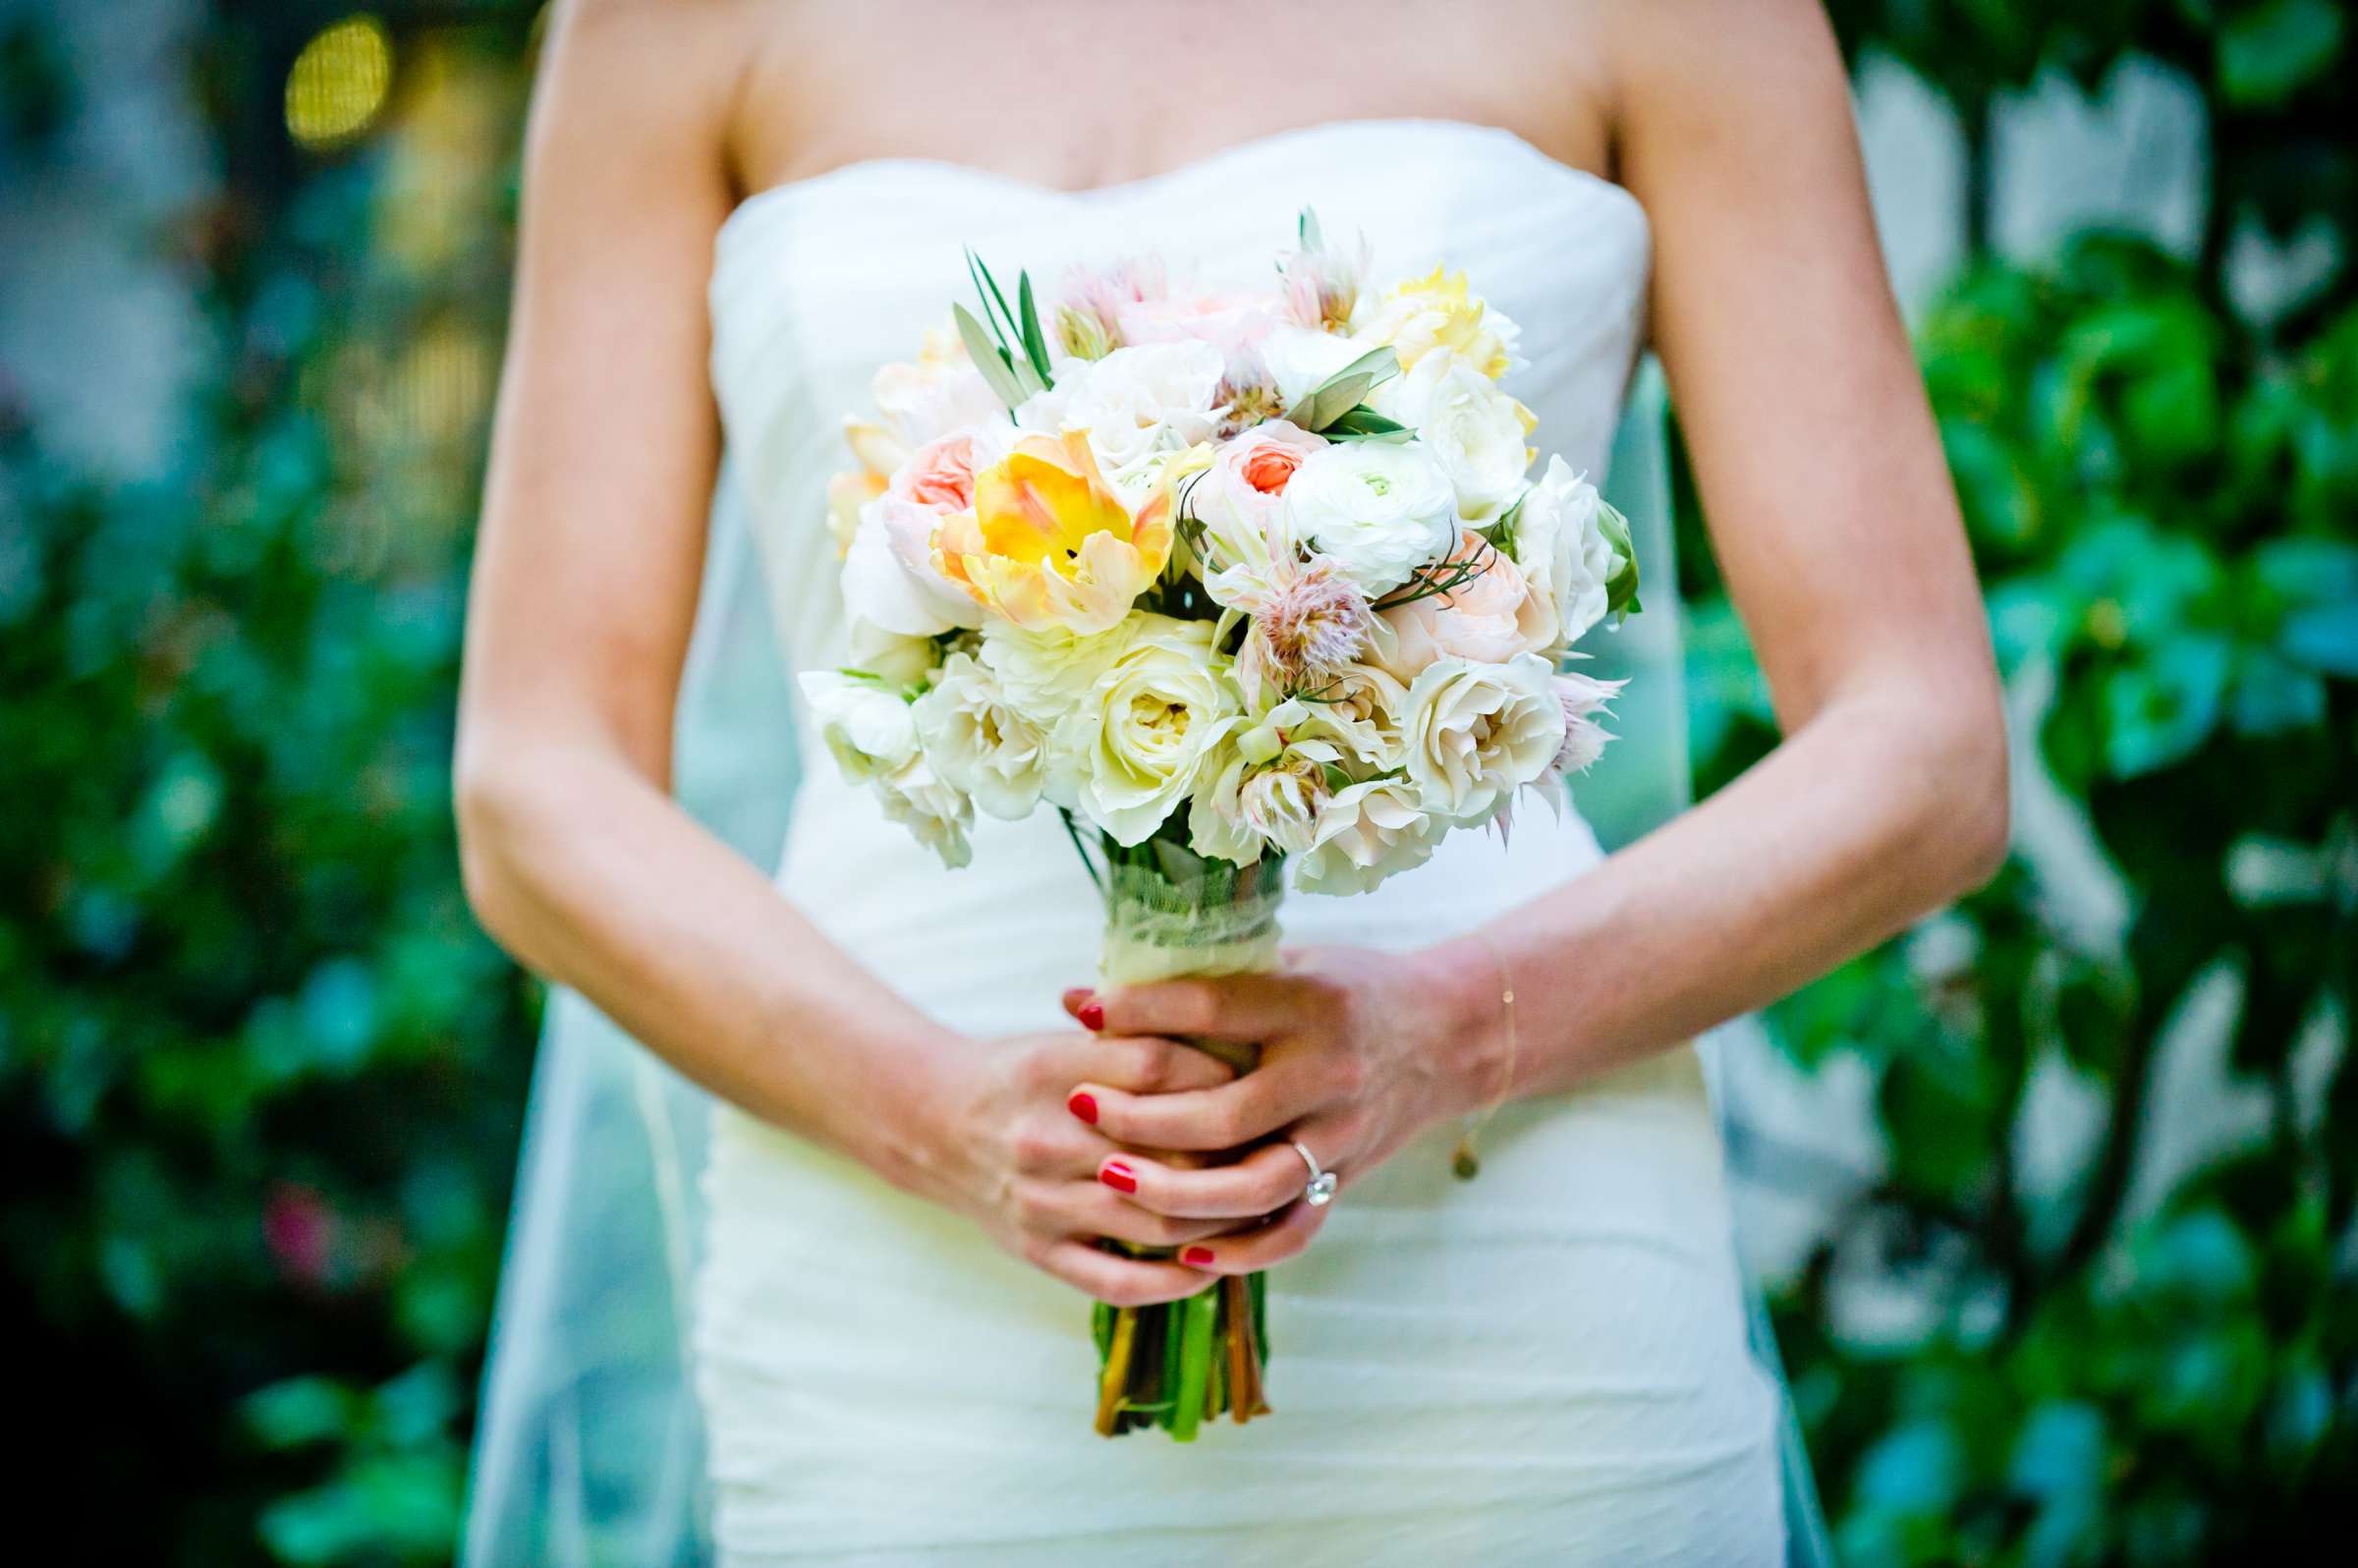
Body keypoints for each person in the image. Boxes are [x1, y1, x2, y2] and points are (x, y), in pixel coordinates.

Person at [455, 1, 2006, 1561]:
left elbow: (1922, 750)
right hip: (905, 1288)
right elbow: (537, 786)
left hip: (1509, 1253)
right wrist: (931, 1112)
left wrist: (1451, 1033)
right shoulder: (658, 29)